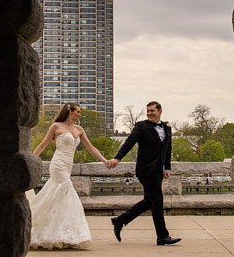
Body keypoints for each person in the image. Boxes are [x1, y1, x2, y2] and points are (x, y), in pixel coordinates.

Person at [26, 103, 108, 249]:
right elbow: (43, 145)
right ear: (69, 111)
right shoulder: (56, 126)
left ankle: (56, 232)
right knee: (67, 189)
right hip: (58, 164)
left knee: (57, 196)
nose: (80, 114)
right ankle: (70, 233)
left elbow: (91, 147)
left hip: (68, 165)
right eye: (77, 111)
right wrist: (30, 159)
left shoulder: (79, 129)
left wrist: (104, 161)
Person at [106, 101, 181, 246]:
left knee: (149, 201)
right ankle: (162, 236)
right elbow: (129, 142)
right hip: (145, 170)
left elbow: (168, 149)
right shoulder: (141, 126)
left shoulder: (167, 128)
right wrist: (117, 158)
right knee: (157, 201)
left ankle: (120, 220)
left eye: (152, 111)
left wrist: (167, 168)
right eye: (148, 111)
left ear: (160, 111)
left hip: (158, 170)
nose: (149, 113)